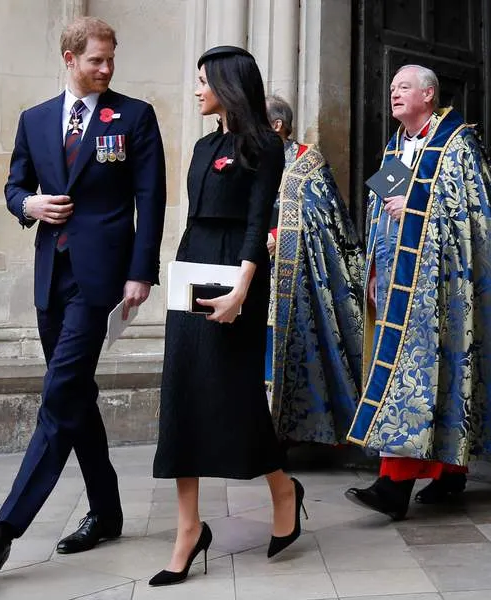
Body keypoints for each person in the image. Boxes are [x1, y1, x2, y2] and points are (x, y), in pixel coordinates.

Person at [0, 17, 166, 569]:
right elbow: (14, 185)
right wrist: (30, 206)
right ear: (70, 59)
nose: (107, 68)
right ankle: (107, 510)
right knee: (75, 396)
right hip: (52, 275)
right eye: (97, 59)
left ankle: (4, 528)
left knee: (59, 393)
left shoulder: (136, 117)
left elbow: (152, 200)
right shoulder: (35, 119)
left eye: (111, 59)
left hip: (101, 280)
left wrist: (141, 272)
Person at [344, 65, 491, 521]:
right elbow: (383, 215)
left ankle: (394, 485)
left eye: (403, 88)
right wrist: (374, 272)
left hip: (444, 288)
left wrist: (417, 206)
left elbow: (471, 214)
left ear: (428, 94)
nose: (394, 95)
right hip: (398, 285)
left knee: (436, 376)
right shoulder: (395, 146)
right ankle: (449, 470)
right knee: (425, 379)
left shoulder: (456, 142)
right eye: (390, 89)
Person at [150, 47, 305, 587]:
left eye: (203, 81)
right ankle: (188, 528)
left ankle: (283, 488)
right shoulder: (201, 145)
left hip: (237, 273)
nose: (196, 90)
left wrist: (241, 289)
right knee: (182, 391)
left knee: (234, 392)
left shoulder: (264, 143)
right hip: (194, 266)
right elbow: (195, 218)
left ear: (226, 83)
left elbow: (258, 220)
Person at [264, 94, 365, 445]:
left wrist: (280, 235)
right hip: (254, 272)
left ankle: (291, 433)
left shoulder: (308, 161)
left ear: (277, 125)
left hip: (298, 277)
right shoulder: (252, 158)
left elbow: (326, 216)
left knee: (296, 353)